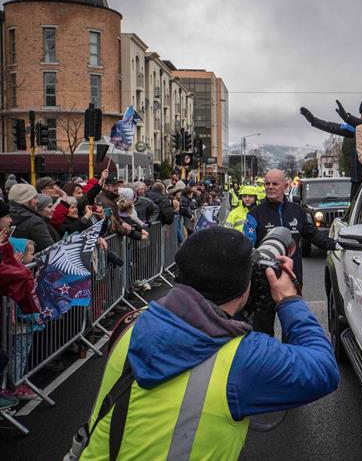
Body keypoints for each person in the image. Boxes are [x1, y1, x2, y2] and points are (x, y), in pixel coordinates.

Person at [76, 227, 338, 460]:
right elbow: (324, 368)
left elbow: (193, 322)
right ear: (246, 286)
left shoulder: (130, 323)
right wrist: (289, 300)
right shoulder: (241, 358)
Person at [243, 170, 338, 335]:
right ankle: (267, 360)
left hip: (292, 280)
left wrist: (337, 245)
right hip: (264, 282)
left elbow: (314, 236)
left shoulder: (297, 211)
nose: (270, 187)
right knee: (263, 332)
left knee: (293, 330)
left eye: (275, 184)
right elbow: (247, 247)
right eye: (267, 184)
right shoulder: (254, 214)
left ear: (285, 186)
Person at [7, 184, 55, 253]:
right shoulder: (35, 222)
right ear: (26, 201)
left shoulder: (5, 217)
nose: (37, 201)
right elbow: (51, 249)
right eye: (34, 198)